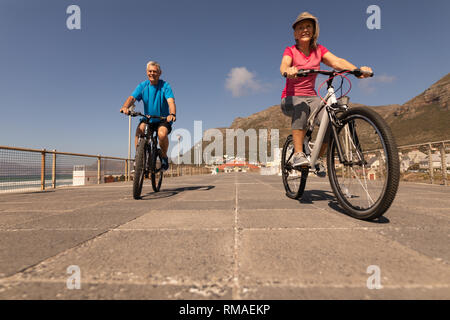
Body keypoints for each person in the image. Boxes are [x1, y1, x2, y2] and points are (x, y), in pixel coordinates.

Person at [280, 12, 372, 172]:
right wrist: (289, 70)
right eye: (300, 27)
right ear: (295, 33)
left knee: (331, 119)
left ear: (314, 30)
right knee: (301, 107)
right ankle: (298, 153)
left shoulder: (319, 50)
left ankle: (317, 158)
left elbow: (336, 61)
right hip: (291, 98)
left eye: (308, 26)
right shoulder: (291, 50)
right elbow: (284, 65)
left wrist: (356, 70)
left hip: (312, 97)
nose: (305, 30)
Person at [120, 61, 176, 171]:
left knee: (162, 134)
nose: (152, 73)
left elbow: (171, 102)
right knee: (139, 130)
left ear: (160, 73)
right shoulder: (143, 86)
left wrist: (172, 114)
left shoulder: (165, 86)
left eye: (155, 71)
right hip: (148, 119)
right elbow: (132, 98)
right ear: (146, 72)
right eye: (150, 71)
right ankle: (138, 159)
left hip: (162, 119)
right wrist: (125, 106)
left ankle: (164, 156)